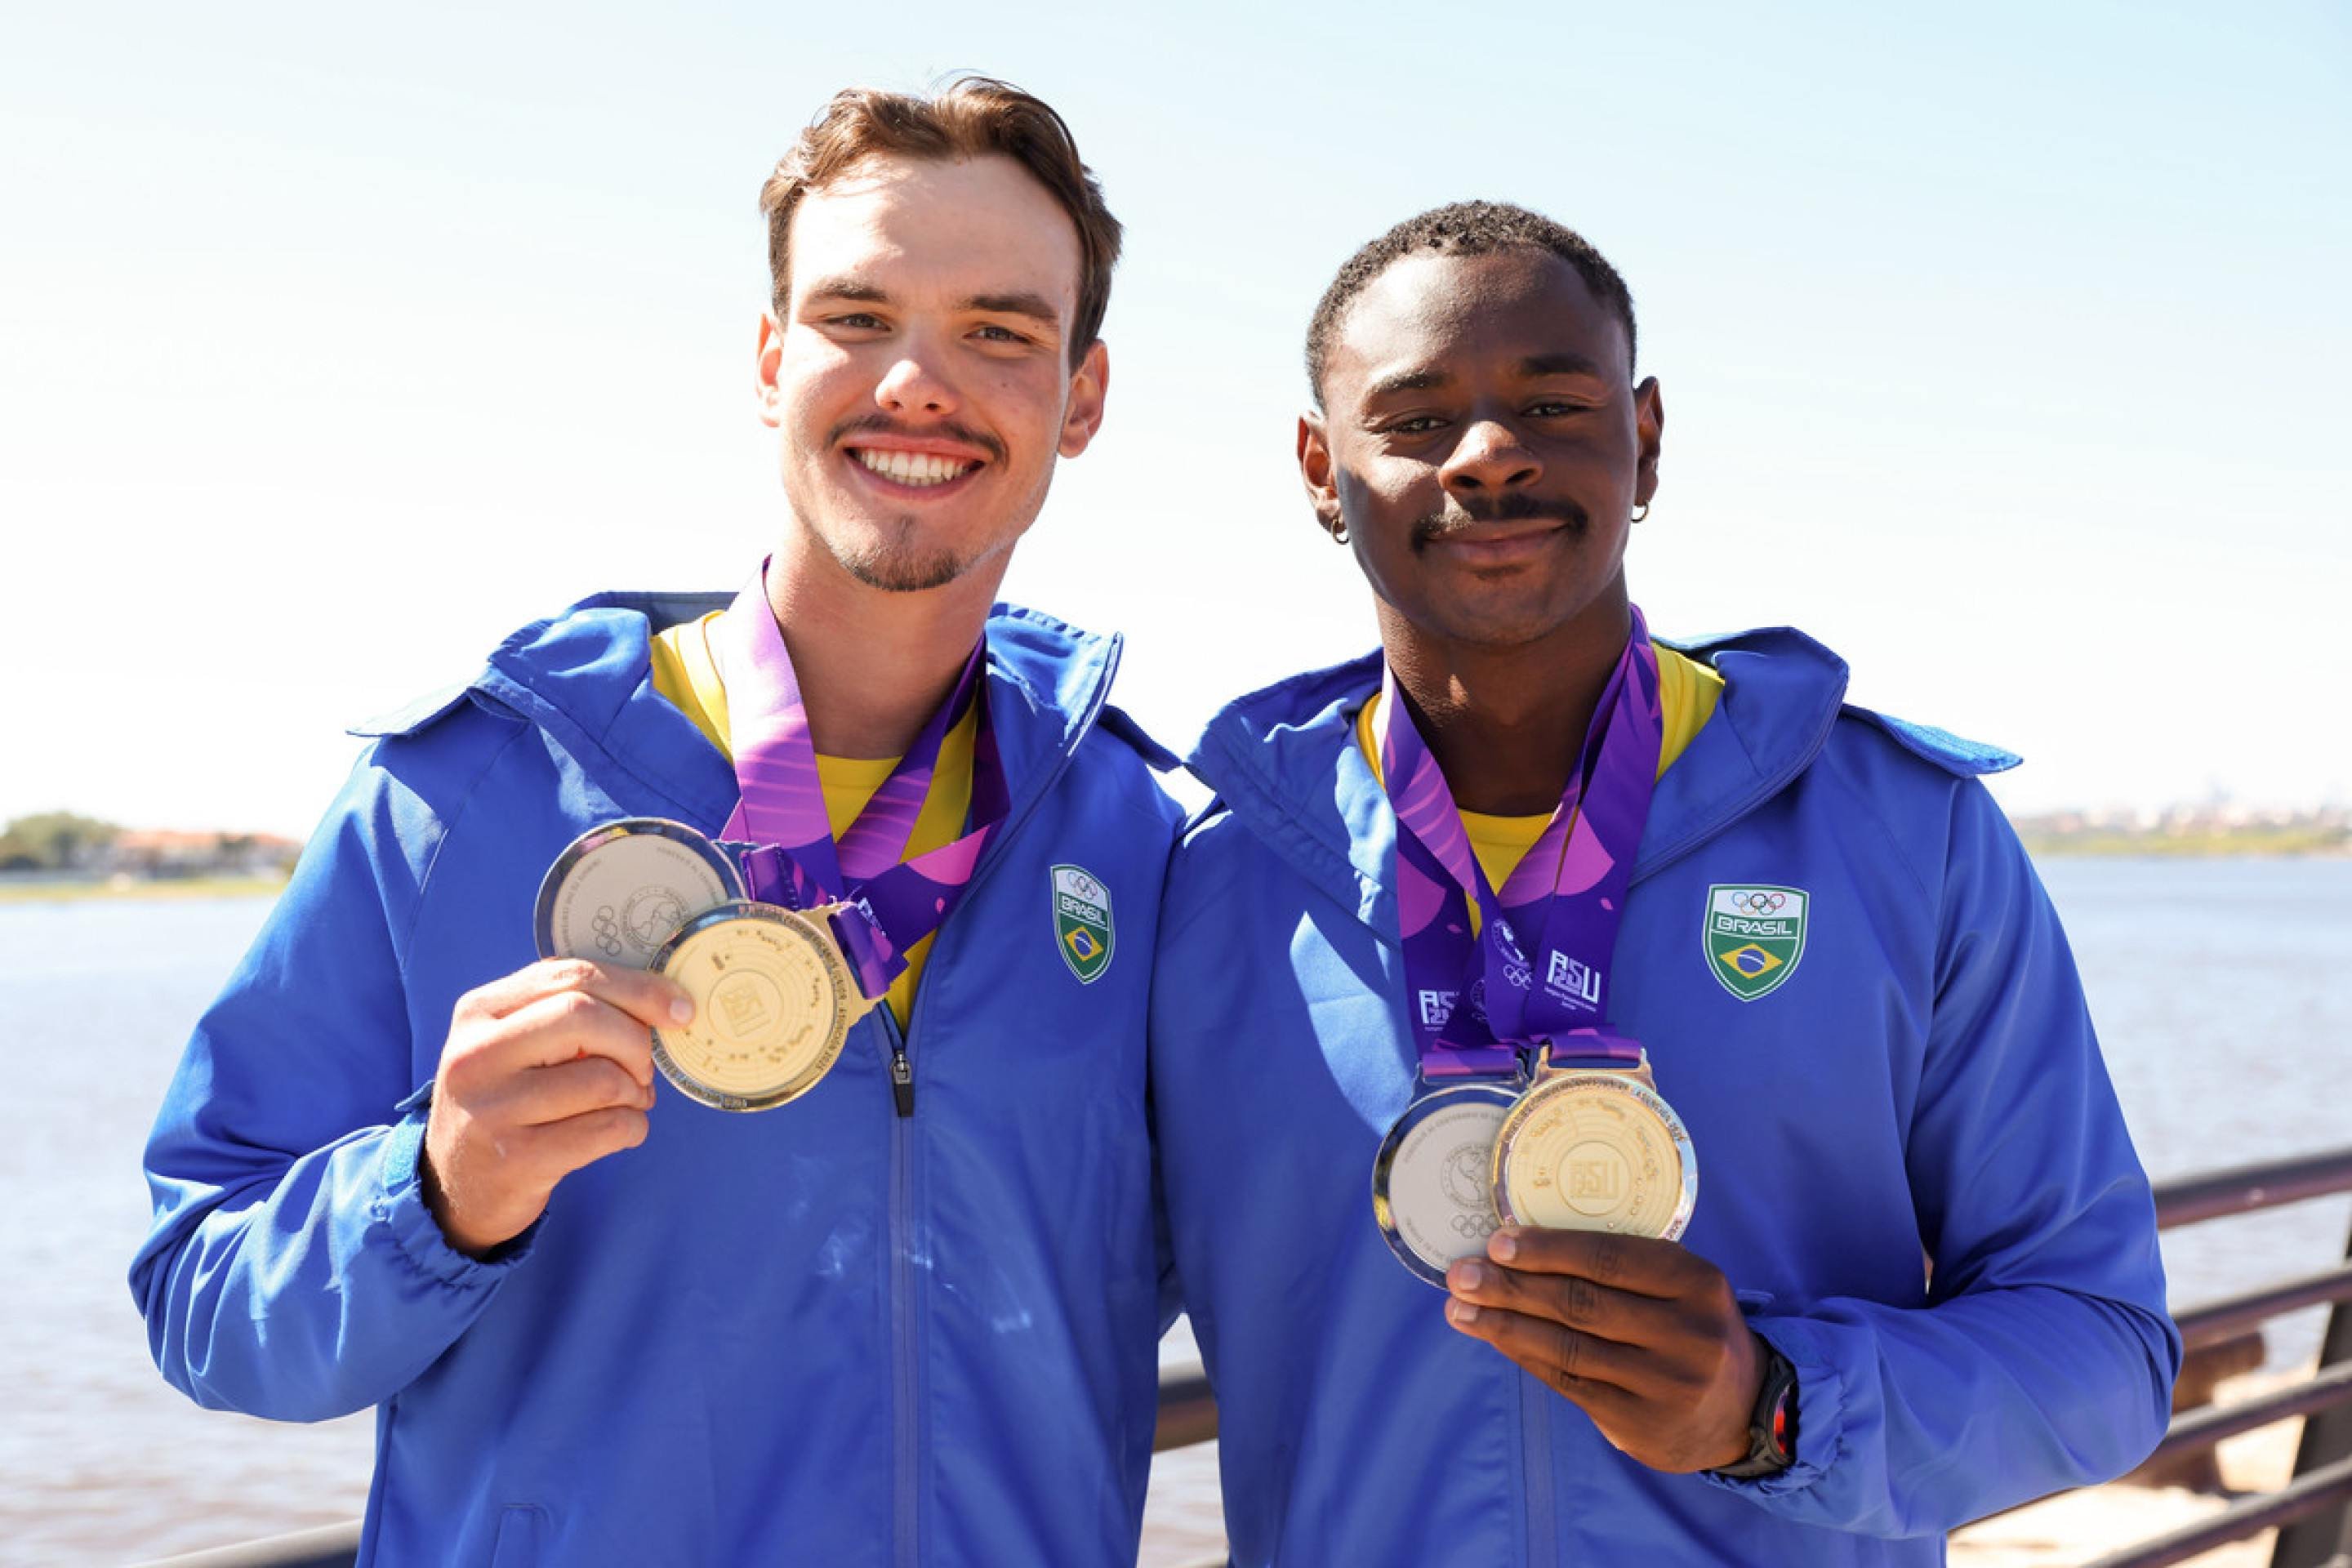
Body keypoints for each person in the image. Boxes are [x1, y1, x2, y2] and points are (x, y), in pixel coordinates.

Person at [131, 78, 1184, 1566]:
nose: (917, 384)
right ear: (772, 360)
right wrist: (434, 1194)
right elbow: (201, 1302)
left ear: (1080, 398)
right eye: (858, 317)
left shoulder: (1136, 841)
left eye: (999, 331)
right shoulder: (462, 795)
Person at [1149, 202, 2179, 1565]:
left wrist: (1770, 1406)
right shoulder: (1206, 891)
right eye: (1412, 420)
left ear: (1644, 440)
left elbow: (2102, 1351)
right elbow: (1017, 1322)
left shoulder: (1908, 837)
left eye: (1554, 403)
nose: (1492, 457)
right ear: (1318, 468)